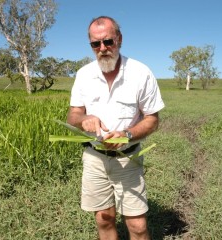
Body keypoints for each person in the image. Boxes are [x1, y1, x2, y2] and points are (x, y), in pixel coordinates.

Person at [67, 16, 165, 240]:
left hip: (126, 158)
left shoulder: (141, 73)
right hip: (94, 158)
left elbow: (153, 119)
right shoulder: (83, 75)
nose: (102, 48)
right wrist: (85, 118)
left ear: (119, 39)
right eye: (96, 44)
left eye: (108, 41)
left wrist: (127, 135)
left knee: (138, 226)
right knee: (104, 218)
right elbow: (72, 116)